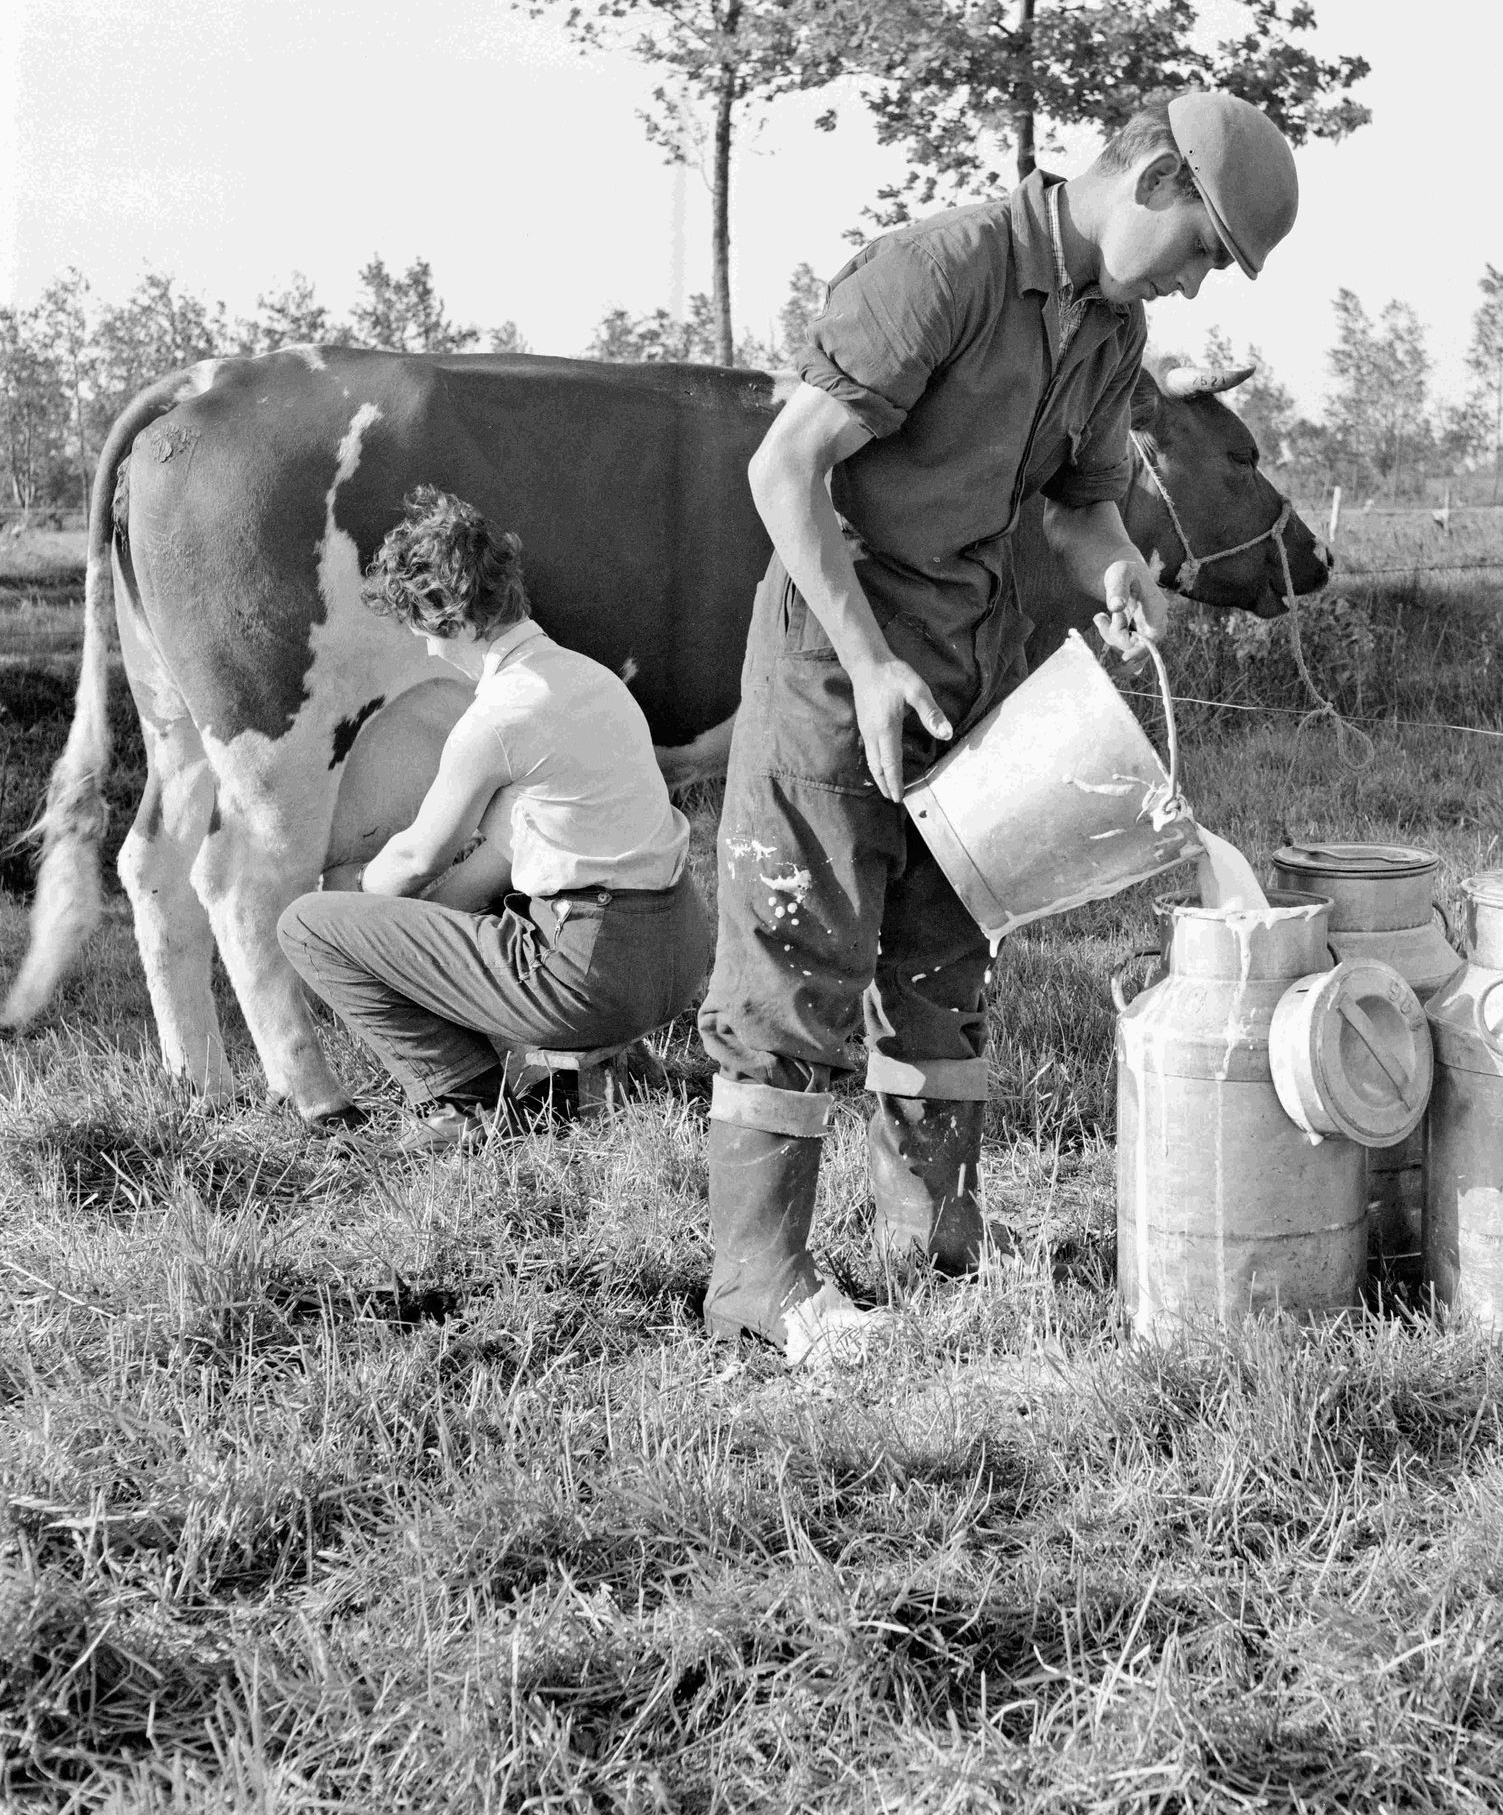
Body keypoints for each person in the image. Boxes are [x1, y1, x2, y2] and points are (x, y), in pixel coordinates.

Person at [697, 90, 1301, 1363]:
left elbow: (1080, 513)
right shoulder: (943, 270)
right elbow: (784, 468)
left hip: (973, 680)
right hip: (836, 667)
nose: (1197, 286)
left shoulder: (1111, 335)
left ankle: (937, 1250)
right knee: (803, 959)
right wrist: (864, 665)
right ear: (1153, 185)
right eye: (1203, 250)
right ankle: (759, 1277)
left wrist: (1117, 572)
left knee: (942, 959)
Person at [279, 488, 707, 1154]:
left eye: (415, 625)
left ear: (441, 616)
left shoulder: (498, 717)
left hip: (591, 977)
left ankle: (460, 1102)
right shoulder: (590, 679)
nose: (420, 647)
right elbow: (490, 867)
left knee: (305, 925)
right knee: (485, 910)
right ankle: (555, 1077)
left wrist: (352, 905)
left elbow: (416, 861)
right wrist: (421, 939)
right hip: (675, 956)